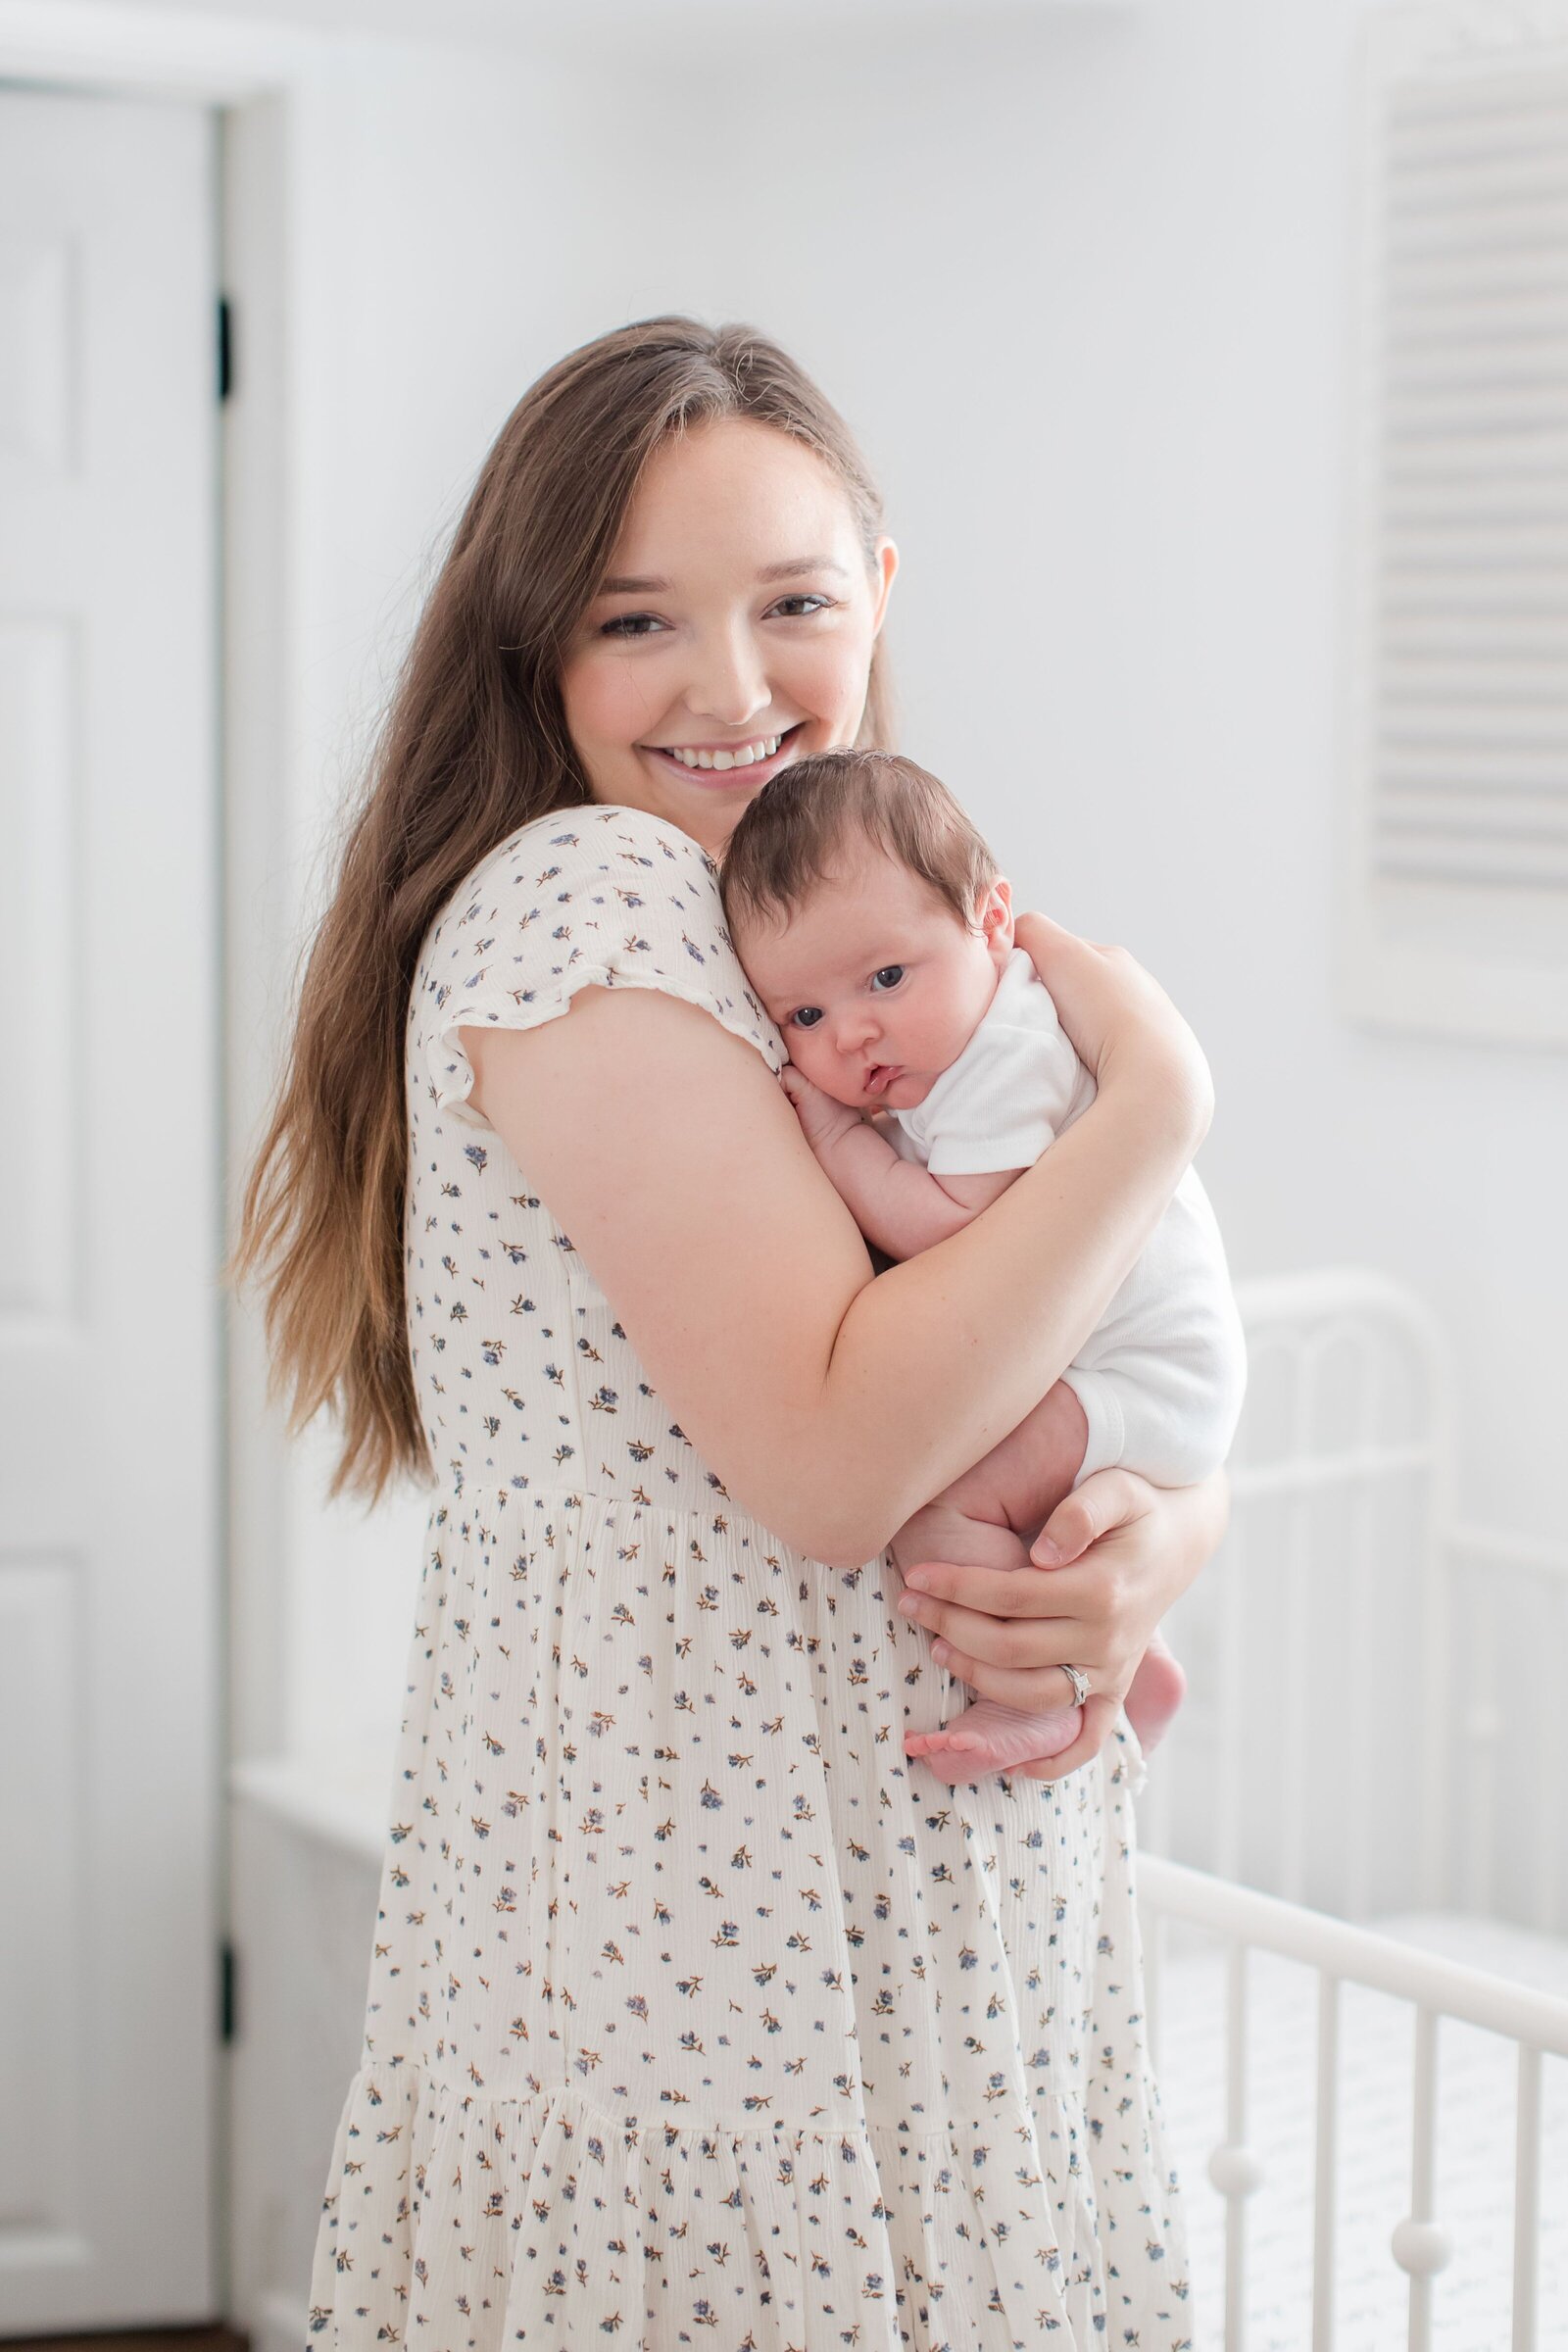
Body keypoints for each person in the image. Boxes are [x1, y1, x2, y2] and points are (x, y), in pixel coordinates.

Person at [236, 317, 1229, 2350]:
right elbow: (829, 1455)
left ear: (878, 585)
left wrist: (1155, 1537)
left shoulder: (811, 922)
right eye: (633, 624)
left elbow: (1084, 1333)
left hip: (880, 1914)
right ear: (534, 654)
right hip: (715, 1936)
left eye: (788, 601)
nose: (728, 685)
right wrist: (1153, 1113)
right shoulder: (588, 901)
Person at [720, 747, 1247, 1783]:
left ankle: (1040, 1693)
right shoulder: (952, 1043)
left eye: (884, 977)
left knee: (943, 1505)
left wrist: (838, 1144)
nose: (854, 1030)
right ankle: (1146, 1674)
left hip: (1144, 1374)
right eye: (805, 1016)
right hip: (1116, 1367)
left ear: (993, 922)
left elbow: (962, 1236)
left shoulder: (1006, 1051)